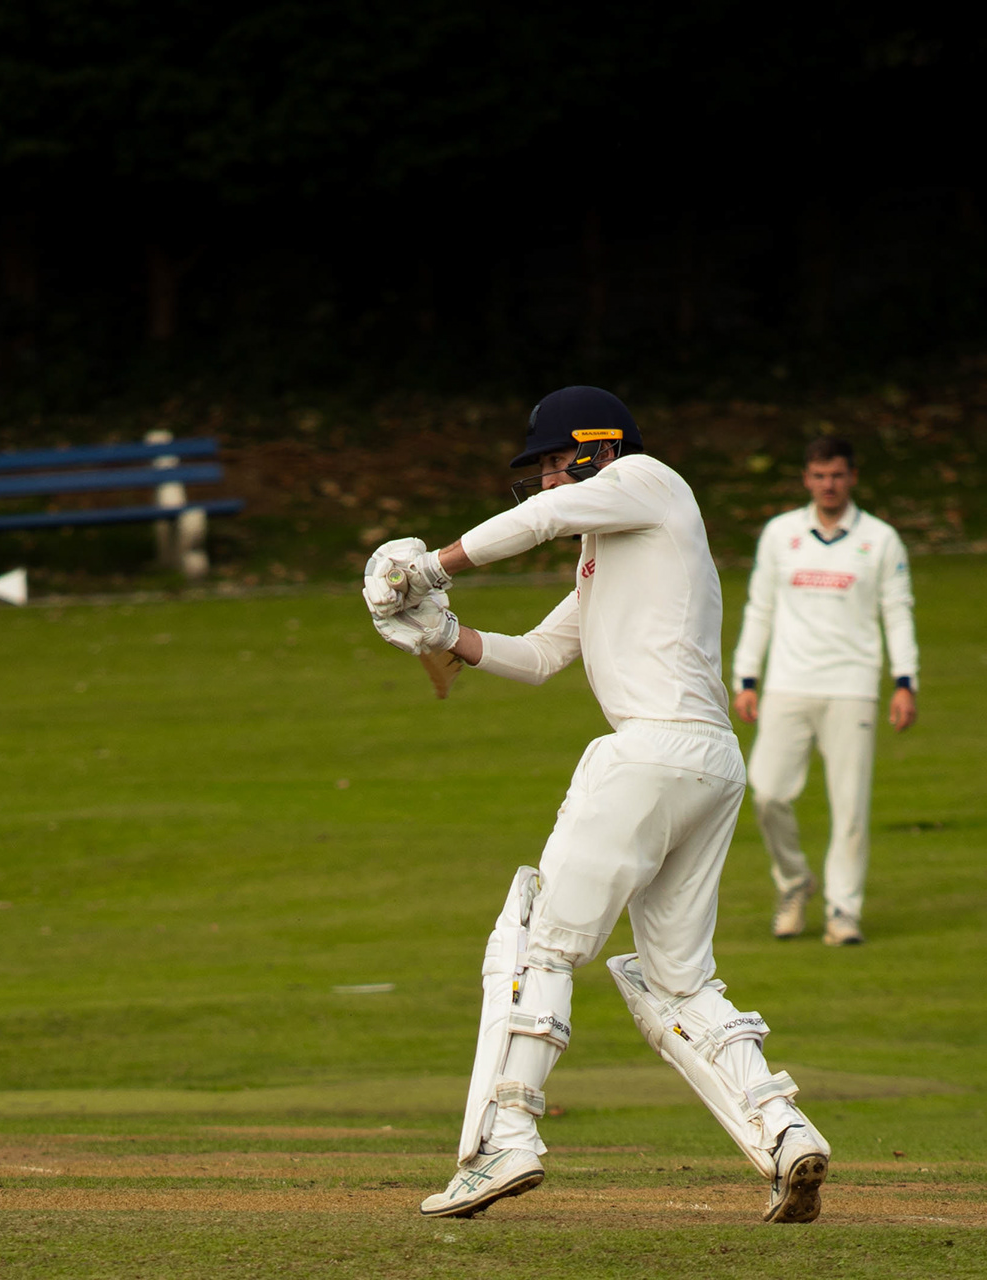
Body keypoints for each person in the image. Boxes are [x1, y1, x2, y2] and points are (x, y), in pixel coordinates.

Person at [363, 385, 830, 1223]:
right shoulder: (609, 551)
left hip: (648, 752)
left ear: (595, 449)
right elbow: (541, 656)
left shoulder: (652, 480)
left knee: (537, 943)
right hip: (709, 765)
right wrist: (445, 637)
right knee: (677, 982)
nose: (545, 484)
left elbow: (538, 522)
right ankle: (784, 1129)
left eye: (552, 463)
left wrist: (427, 567)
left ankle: (506, 1137)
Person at [731, 437, 918, 946]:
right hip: (788, 682)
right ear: (806, 479)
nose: (828, 485)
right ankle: (794, 885)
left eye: (836, 475)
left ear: (852, 477)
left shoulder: (879, 539)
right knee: (766, 791)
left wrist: (906, 681)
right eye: (818, 475)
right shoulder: (781, 534)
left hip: (852, 685)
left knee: (850, 805)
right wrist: (746, 677)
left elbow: (897, 611)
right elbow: (760, 607)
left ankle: (843, 910)